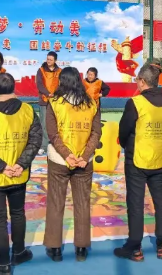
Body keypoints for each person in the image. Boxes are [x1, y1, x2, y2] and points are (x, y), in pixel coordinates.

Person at [0, 73, 42, 274]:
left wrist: (2, 167)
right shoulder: (28, 110)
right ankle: (19, 252)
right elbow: (35, 140)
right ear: (14, 88)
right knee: (18, 213)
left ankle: (3, 263)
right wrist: (20, 164)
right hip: (19, 174)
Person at [114, 63, 162, 262]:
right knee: (161, 201)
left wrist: (128, 146)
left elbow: (124, 131)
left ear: (142, 81)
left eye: (137, 80)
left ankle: (135, 247)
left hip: (138, 160)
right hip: (161, 158)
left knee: (135, 203)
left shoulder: (136, 103)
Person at [44, 67, 102, 262]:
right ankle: (81, 249)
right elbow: (96, 133)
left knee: (55, 202)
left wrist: (67, 155)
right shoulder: (91, 103)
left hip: (59, 160)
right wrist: (84, 155)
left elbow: (53, 134)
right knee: (83, 203)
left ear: (62, 82)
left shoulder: (54, 102)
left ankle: (55, 248)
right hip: (84, 162)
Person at [36, 51, 61, 155]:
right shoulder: (41, 70)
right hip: (44, 100)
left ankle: (55, 145)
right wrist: (47, 93)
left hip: (56, 101)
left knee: (56, 123)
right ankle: (43, 146)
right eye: (47, 59)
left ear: (55, 60)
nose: (48, 61)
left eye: (51, 59)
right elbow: (39, 84)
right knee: (44, 123)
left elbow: (61, 85)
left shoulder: (59, 71)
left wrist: (55, 94)